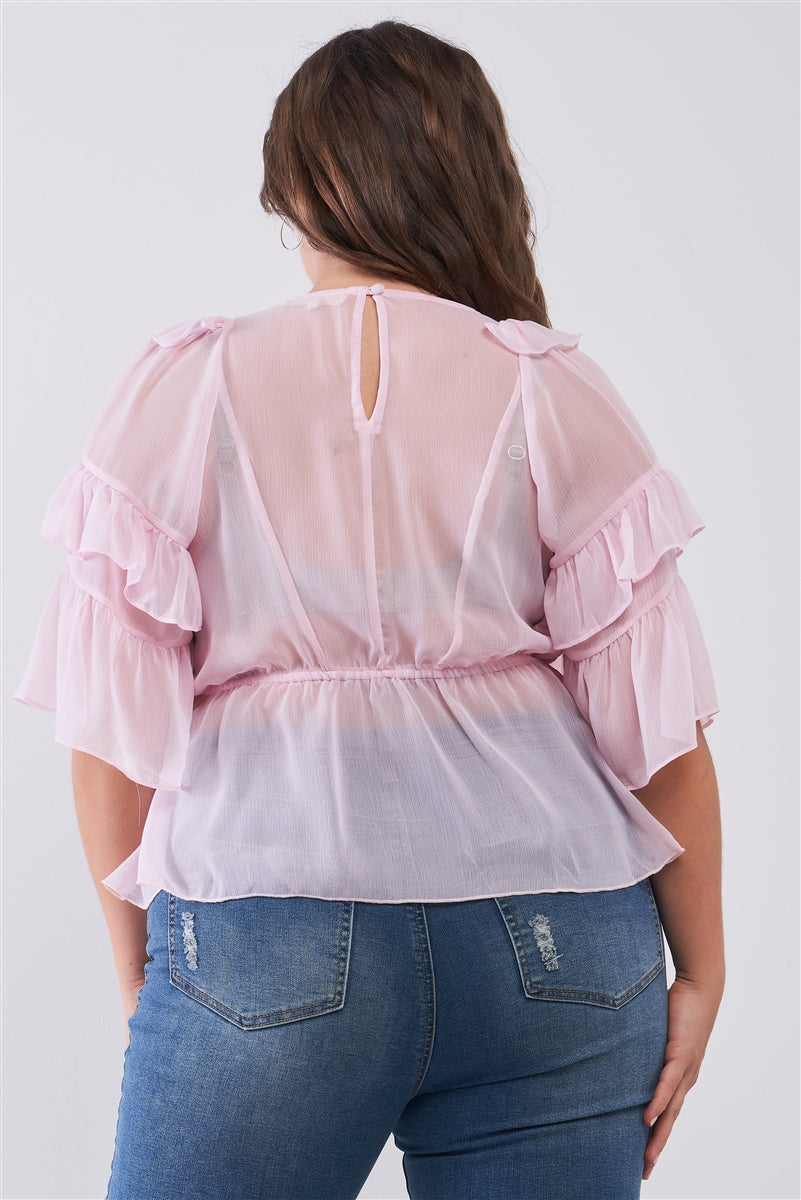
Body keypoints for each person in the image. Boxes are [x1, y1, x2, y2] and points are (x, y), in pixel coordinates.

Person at [14, 18, 725, 1200]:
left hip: (267, 926)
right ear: (478, 179)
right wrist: (702, 969)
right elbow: (660, 731)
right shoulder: (547, 384)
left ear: (294, 194)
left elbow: (108, 738)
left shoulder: (186, 386)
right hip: (562, 950)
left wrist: (150, 980)